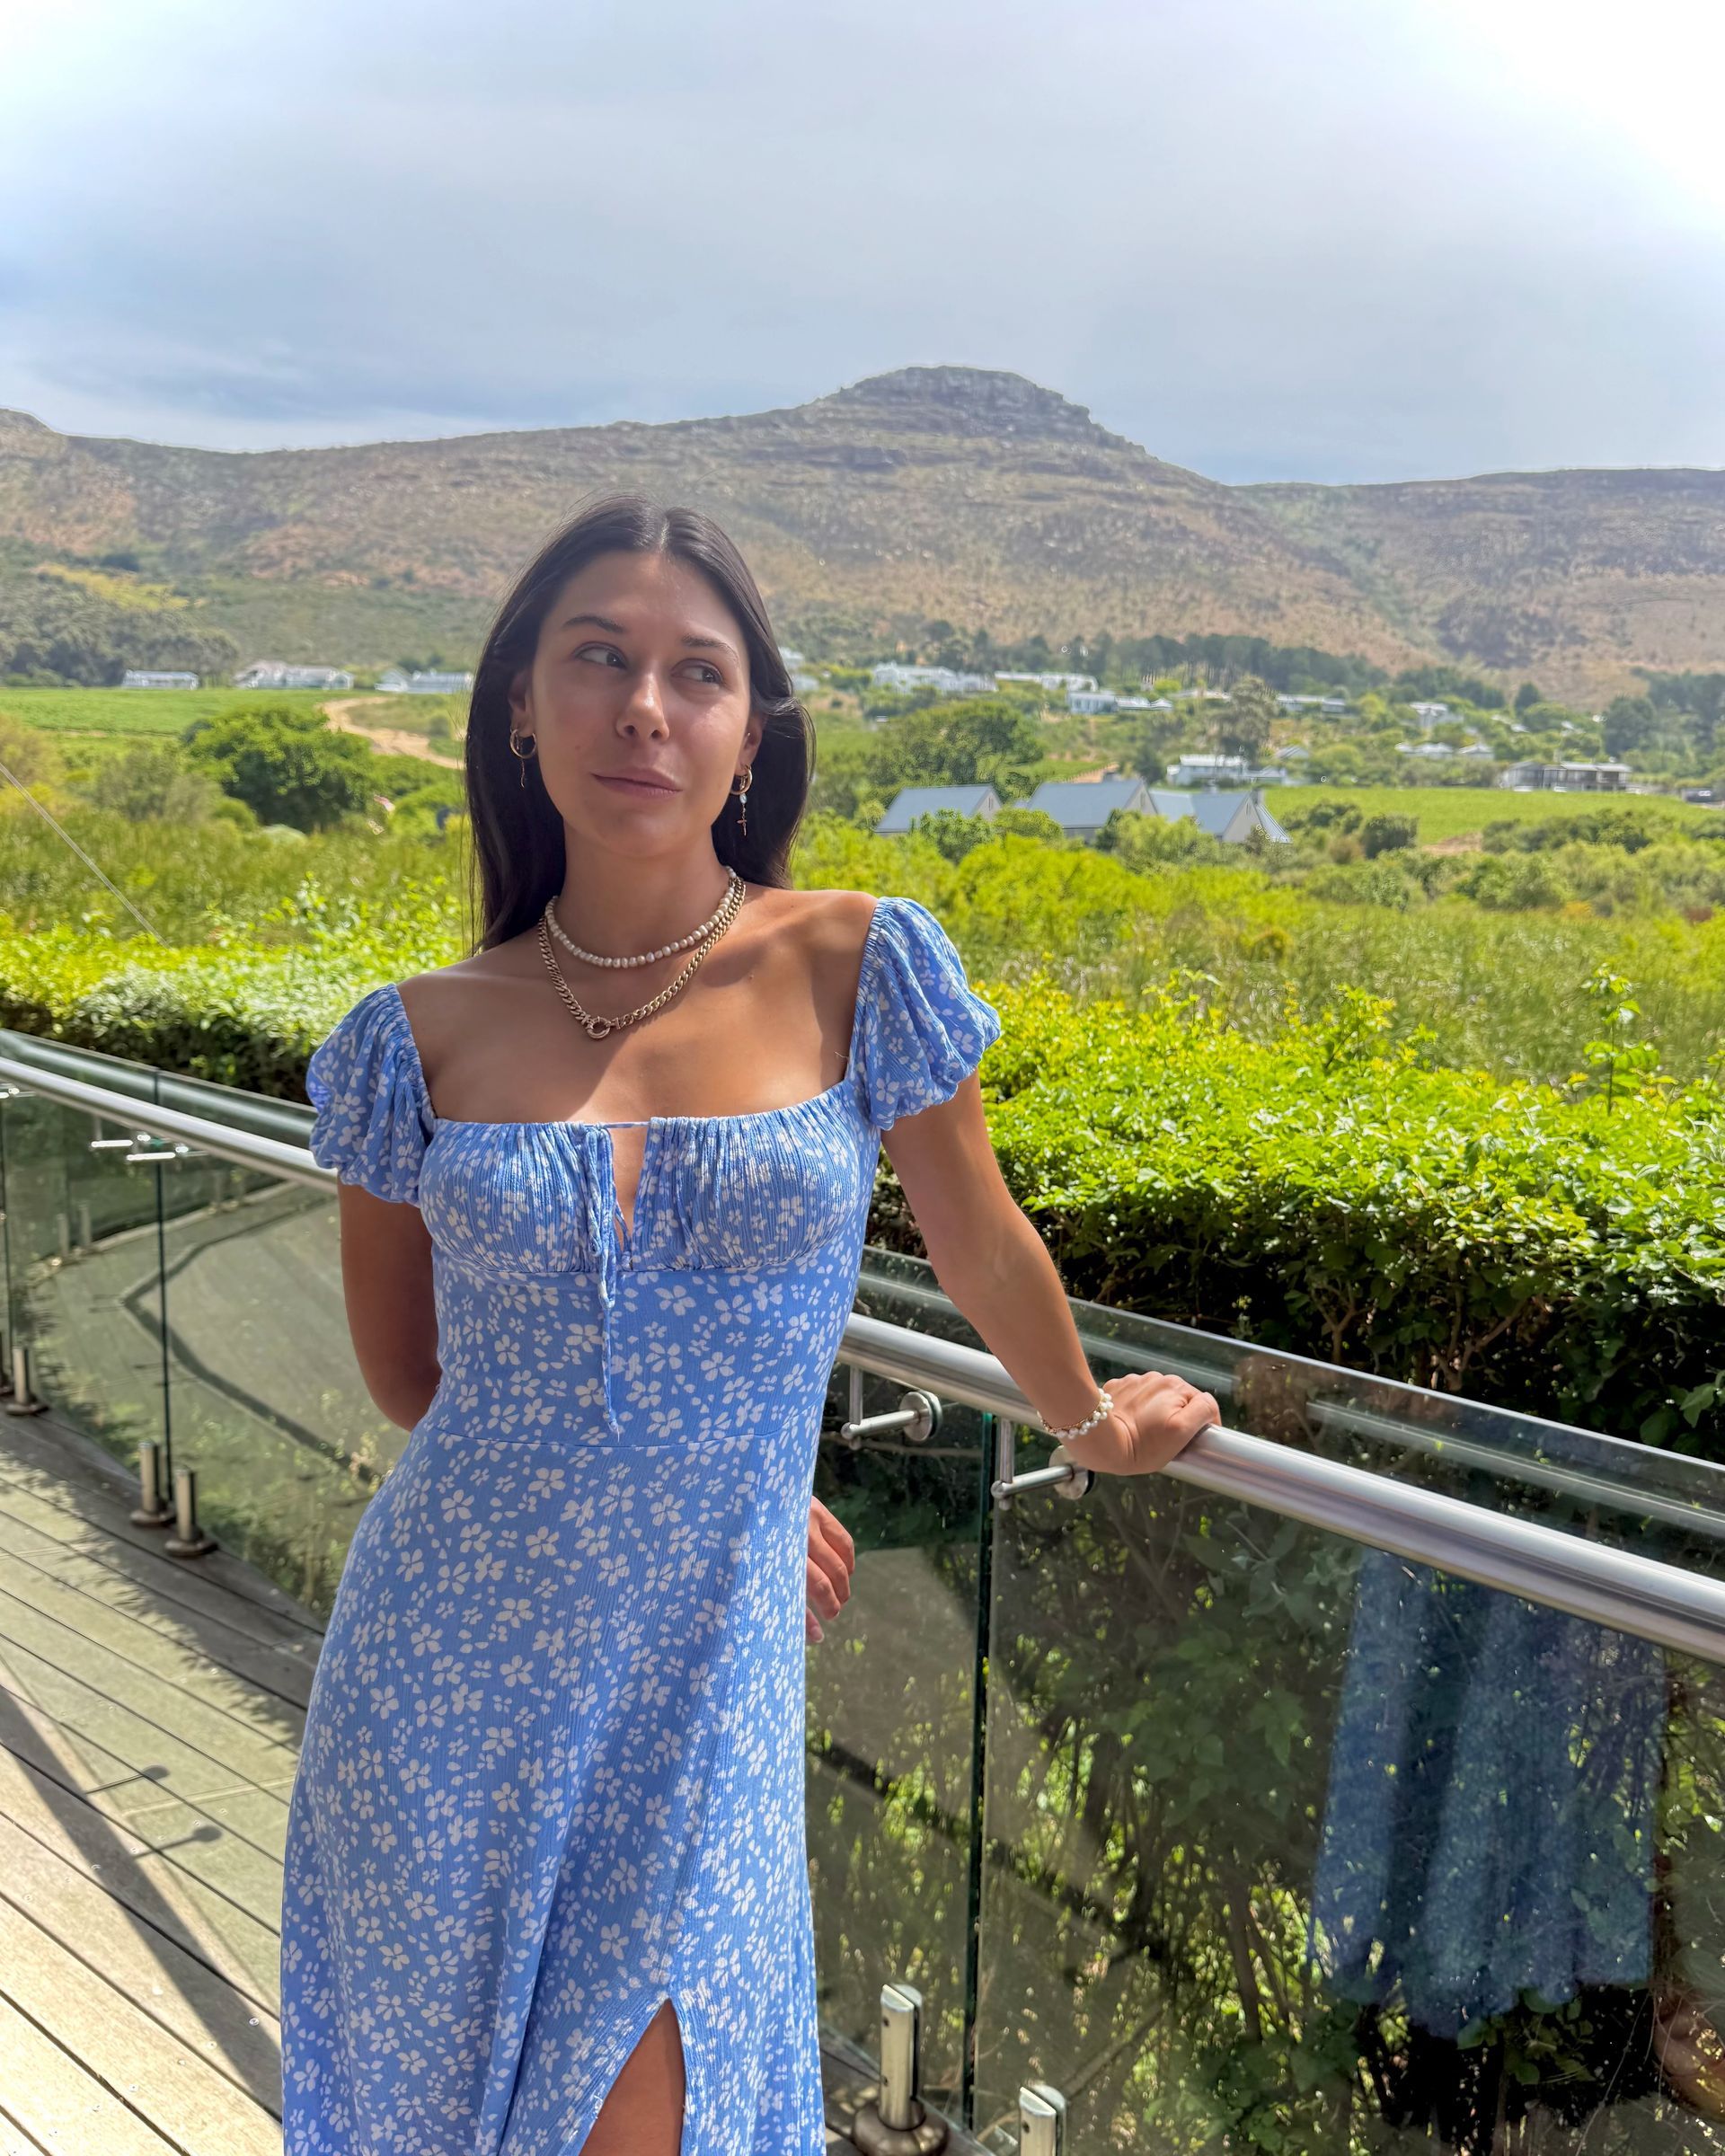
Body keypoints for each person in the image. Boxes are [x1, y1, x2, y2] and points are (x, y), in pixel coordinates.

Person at [279, 491, 1219, 2156]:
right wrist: (686, 1481)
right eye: (597, 659)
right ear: (519, 705)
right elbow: (416, 1375)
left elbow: (984, 1247)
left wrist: (1090, 1421)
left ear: (748, 730)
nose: (645, 706)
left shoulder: (857, 962)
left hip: (697, 1698)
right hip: (441, 1684)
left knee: (653, 2108)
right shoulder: (410, 1037)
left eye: (694, 673)